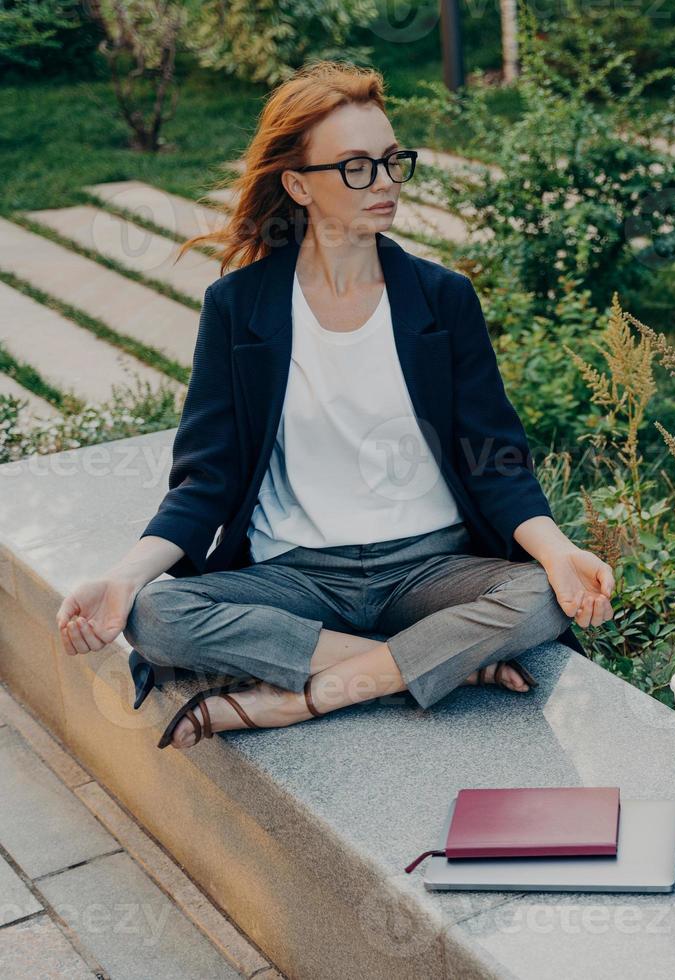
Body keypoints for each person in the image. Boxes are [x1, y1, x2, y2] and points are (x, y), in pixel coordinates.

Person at [52, 61, 614, 750]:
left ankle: (308, 697)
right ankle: (433, 664)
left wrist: (557, 553)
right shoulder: (240, 309)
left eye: (390, 161)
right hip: (298, 573)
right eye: (355, 167)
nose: (383, 183)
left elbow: (493, 457)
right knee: (157, 615)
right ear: (297, 185)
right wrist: (121, 577)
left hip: (429, 567)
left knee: (538, 597)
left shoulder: (441, 299)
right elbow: (208, 478)